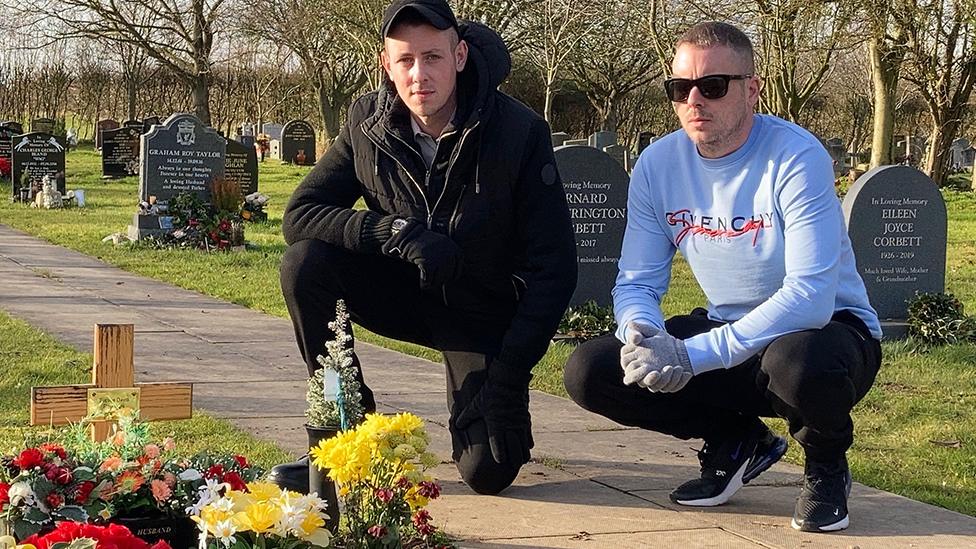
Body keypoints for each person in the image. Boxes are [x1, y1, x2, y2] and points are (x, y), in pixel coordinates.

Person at [563, 21, 882, 533]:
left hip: (830, 334)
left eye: (712, 86)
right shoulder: (656, 164)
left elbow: (810, 296)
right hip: (728, 329)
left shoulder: (795, 156)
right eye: (679, 88)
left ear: (751, 89)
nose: (694, 100)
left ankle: (825, 466)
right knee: (591, 370)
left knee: (798, 361)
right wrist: (643, 335)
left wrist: (690, 356)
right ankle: (737, 440)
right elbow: (636, 281)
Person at [272, 0, 577, 496]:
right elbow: (299, 215)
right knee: (304, 264)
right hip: (401, 290)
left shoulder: (519, 132)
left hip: (478, 309)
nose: (419, 75)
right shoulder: (366, 123)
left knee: (488, 473)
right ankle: (341, 433)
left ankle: (489, 408)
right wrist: (397, 234)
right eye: (406, 60)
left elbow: (556, 268)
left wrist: (508, 375)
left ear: (459, 55)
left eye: (433, 58)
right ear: (385, 64)